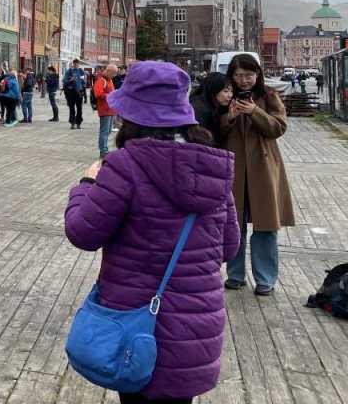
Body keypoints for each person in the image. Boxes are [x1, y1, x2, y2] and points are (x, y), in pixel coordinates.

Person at [64, 61, 240, 404]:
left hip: (136, 324)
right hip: (193, 333)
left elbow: (82, 232)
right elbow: (228, 248)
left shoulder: (125, 166)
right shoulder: (212, 166)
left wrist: (85, 185)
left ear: (134, 115)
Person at [220, 53, 294, 296]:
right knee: (234, 224)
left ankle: (265, 278)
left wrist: (255, 112)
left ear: (258, 74)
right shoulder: (225, 96)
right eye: (239, 75)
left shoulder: (269, 95)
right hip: (234, 168)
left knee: (266, 225)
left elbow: (279, 127)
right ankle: (235, 275)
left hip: (263, 169)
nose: (244, 80)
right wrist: (229, 117)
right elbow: (214, 129)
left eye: (249, 75)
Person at [189, 72, 232, 147]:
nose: (230, 95)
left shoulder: (213, 105)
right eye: (226, 91)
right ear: (213, 89)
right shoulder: (199, 108)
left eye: (232, 91)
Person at [93, 65, 117, 159]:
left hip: (110, 110)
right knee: (104, 131)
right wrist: (110, 95)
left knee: (108, 131)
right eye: (114, 73)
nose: (115, 75)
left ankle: (104, 149)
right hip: (104, 110)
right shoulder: (101, 80)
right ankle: (103, 151)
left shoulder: (109, 80)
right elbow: (98, 94)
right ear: (108, 71)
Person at [63, 59, 86, 130]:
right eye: (75, 64)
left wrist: (83, 85)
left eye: (77, 64)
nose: (76, 65)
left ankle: (78, 123)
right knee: (72, 108)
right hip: (71, 92)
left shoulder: (81, 71)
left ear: (79, 64)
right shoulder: (69, 71)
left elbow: (84, 81)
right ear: (73, 64)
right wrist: (71, 80)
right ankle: (72, 123)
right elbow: (64, 81)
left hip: (79, 91)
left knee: (79, 109)